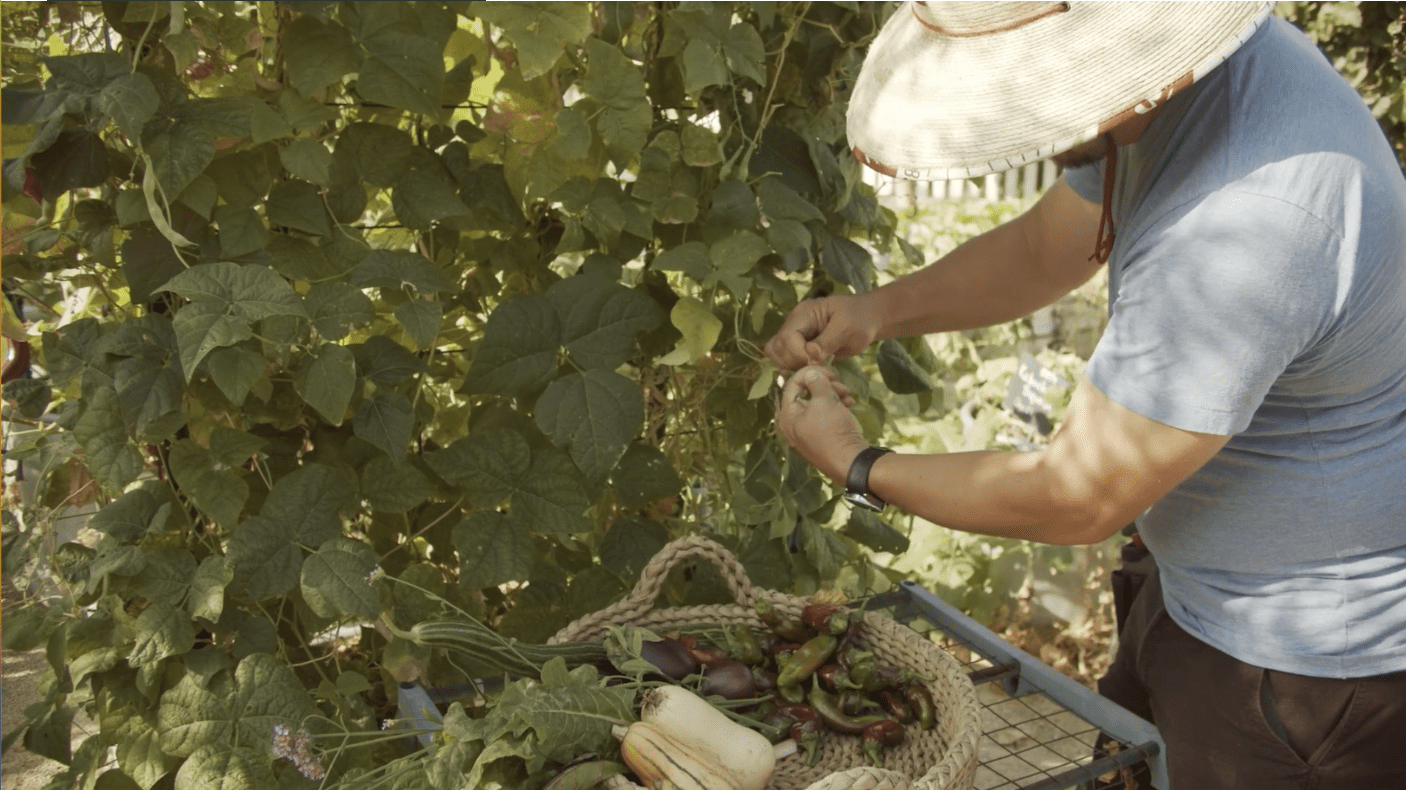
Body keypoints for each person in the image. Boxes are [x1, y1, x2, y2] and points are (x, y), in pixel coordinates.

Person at [765, 3, 1406, 788]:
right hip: (1194, 598)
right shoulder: (1172, 80)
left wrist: (857, 463)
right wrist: (873, 313)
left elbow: (1078, 494)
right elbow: (1050, 245)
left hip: (1300, 674)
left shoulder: (1251, 220)